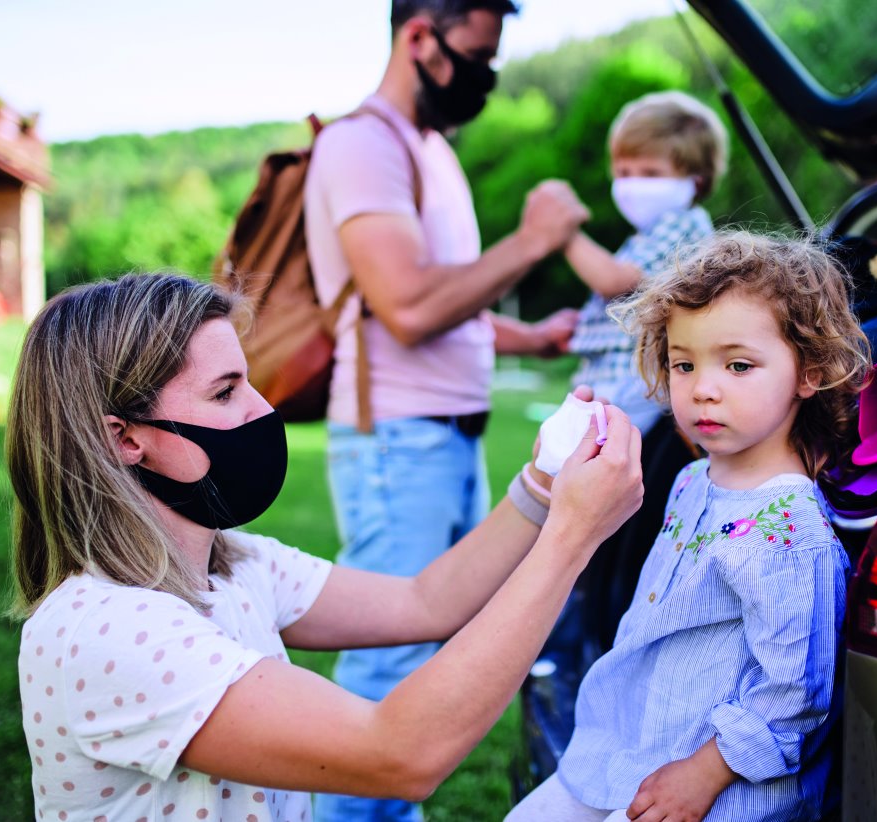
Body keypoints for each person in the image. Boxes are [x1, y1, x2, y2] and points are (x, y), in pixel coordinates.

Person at [8, 273, 643, 822]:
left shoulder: (232, 564)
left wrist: (542, 487)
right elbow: (399, 754)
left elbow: (427, 602)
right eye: (225, 392)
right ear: (124, 439)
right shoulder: (106, 630)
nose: (262, 409)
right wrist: (572, 538)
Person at [303, 5, 587, 815]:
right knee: (387, 663)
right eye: (477, 55)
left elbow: (447, 298)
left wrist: (530, 337)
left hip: (444, 436)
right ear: (420, 38)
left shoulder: (431, 150)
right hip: (399, 439)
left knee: (426, 651)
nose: (485, 77)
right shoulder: (362, 144)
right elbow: (408, 305)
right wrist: (532, 241)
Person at [506, 232, 871, 822]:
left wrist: (704, 773)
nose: (702, 386)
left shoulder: (788, 525)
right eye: (684, 363)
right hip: (631, 747)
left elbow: (797, 690)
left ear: (810, 372)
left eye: (739, 365)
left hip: (717, 787)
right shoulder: (691, 480)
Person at [559, 89, 729, 655]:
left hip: (634, 385)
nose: (631, 183)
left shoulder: (683, 226)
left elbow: (614, 281)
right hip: (612, 377)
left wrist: (561, 233)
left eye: (649, 170)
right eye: (623, 170)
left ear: (693, 177)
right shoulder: (653, 231)